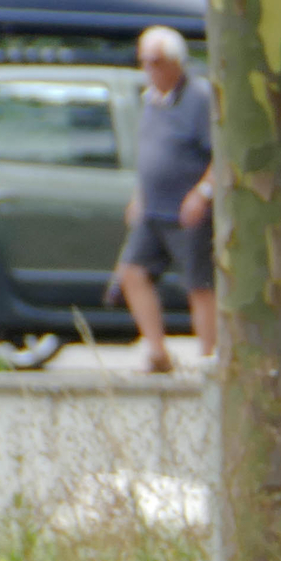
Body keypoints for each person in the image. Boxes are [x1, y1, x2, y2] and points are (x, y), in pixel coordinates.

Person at [108, 26, 216, 373]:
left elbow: (222, 154)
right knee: (132, 272)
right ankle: (157, 351)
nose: (149, 70)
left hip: (188, 209)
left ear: (175, 62)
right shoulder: (150, 99)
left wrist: (202, 193)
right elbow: (151, 153)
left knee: (200, 285)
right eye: (145, 63)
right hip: (153, 207)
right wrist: (139, 194)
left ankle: (208, 357)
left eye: (156, 63)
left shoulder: (200, 99)